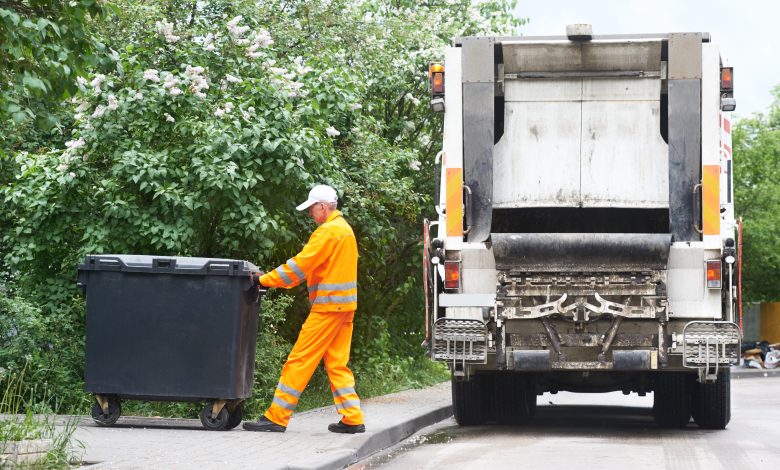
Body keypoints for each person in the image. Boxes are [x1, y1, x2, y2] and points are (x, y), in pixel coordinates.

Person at [243, 184, 366, 433]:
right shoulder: (345, 230)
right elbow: (309, 268)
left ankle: (276, 417)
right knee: (337, 363)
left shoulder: (328, 232)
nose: (310, 213)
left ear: (322, 206)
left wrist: (263, 279)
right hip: (344, 308)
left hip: (328, 308)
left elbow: (300, 266)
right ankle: (352, 418)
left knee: (299, 360)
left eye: (312, 208)